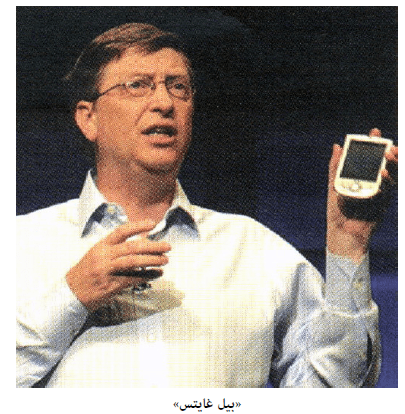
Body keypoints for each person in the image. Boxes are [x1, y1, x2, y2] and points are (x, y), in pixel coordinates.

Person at [16, 23, 398, 388]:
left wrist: (348, 245)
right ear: (89, 118)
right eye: (138, 85)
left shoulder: (253, 249)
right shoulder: (19, 245)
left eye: (178, 87)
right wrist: (71, 298)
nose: (164, 103)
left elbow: (333, 397)